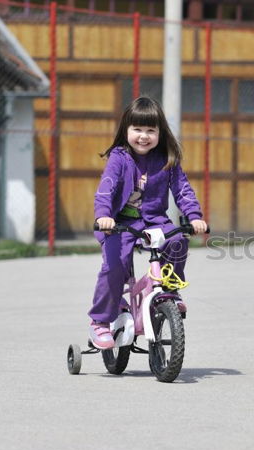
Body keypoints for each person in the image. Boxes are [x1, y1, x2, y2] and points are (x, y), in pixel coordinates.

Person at [88, 96, 208, 349]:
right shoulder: (119, 157)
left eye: (150, 130)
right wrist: (103, 215)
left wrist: (195, 217)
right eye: (137, 129)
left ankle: (169, 291)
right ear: (126, 130)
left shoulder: (167, 159)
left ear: (160, 133)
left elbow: (182, 189)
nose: (143, 136)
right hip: (119, 222)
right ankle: (100, 321)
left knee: (176, 240)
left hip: (153, 220)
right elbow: (106, 188)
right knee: (115, 266)